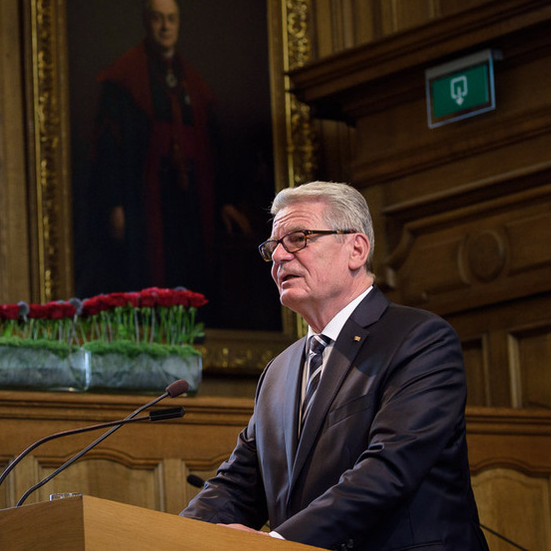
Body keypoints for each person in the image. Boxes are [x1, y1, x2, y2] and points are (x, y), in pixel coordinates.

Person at [180, 181, 489, 550]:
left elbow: (389, 469)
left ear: (356, 249)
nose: (278, 257)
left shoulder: (420, 340)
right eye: (273, 247)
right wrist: (171, 538)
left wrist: (280, 543)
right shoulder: (279, 371)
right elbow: (238, 484)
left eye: (297, 238)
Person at [81, 0, 249, 297]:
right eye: (158, 19)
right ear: (147, 22)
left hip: (189, 198)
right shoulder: (123, 78)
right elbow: (109, 147)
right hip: (143, 197)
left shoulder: (192, 81)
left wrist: (224, 199)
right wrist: (115, 203)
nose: (165, 26)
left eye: (171, 19)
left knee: (190, 268)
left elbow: (213, 146)